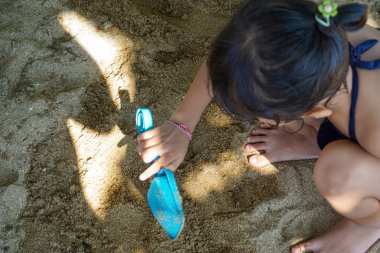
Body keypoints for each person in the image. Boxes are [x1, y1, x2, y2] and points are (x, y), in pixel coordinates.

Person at [137, 0, 380, 252]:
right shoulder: (302, 26)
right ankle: (314, 137)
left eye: (265, 117)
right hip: (343, 102)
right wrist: (181, 125)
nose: (260, 121)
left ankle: (368, 225)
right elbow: (234, 55)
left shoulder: (375, 130)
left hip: (367, 136)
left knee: (337, 173)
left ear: (315, 111)